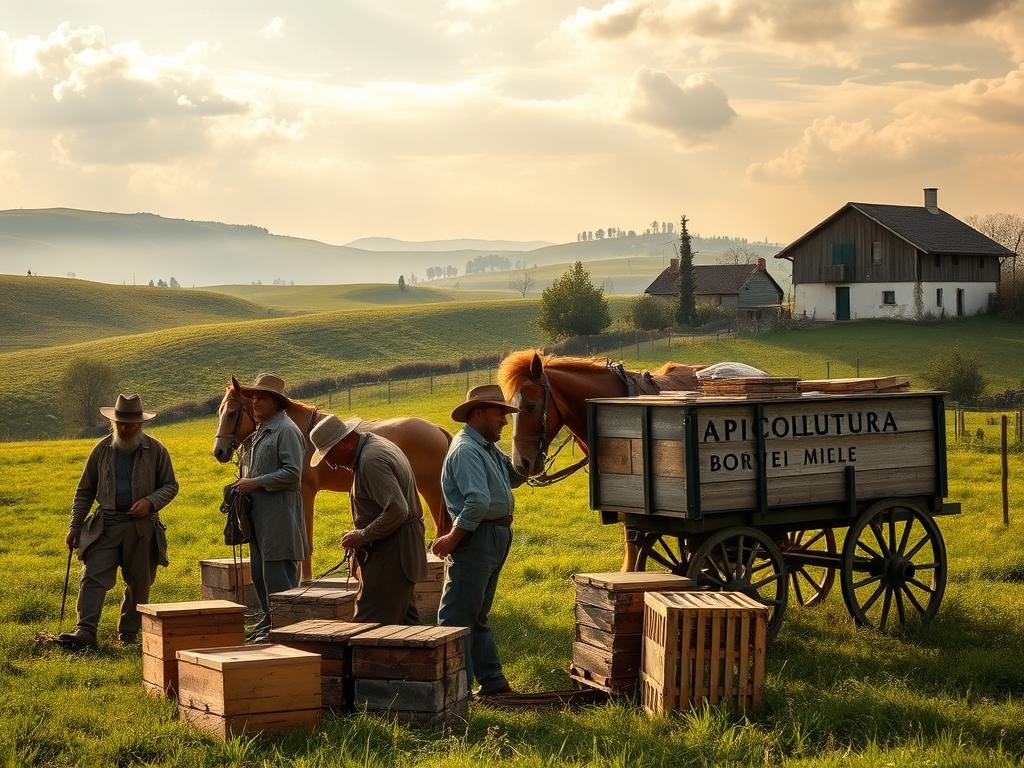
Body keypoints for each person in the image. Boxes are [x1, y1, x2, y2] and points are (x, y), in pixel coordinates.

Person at [58, 394, 178, 649]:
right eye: (121, 423)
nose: (126, 428)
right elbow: (84, 491)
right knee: (92, 576)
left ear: (141, 424)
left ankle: (128, 634)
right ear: (113, 423)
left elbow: (170, 485)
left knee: (139, 582)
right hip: (105, 524)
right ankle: (85, 632)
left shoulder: (156, 450)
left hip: (141, 527)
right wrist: (74, 526)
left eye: (132, 424)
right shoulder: (101, 450)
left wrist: (150, 502)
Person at [432, 384, 526, 697]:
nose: (504, 420)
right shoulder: (466, 450)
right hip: (476, 537)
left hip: (493, 536)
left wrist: (532, 459)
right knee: (457, 619)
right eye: (500, 413)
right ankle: (455, 692)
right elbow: (476, 503)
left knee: (475, 615)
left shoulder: (484, 447)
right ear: (478, 413)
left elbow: (512, 478)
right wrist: (452, 538)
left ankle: (492, 683)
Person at [309, 414, 428, 624]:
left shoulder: (371, 461)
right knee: (406, 627)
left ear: (344, 442)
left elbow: (397, 510)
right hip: (399, 551)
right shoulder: (375, 445)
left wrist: (362, 535)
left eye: (329, 455)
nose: (331, 465)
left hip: (392, 554)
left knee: (369, 625)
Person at [231, 373, 306, 642]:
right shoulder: (263, 430)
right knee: (260, 575)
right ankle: (268, 623)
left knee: (277, 578)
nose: (255, 401)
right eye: (253, 397)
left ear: (276, 401)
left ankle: (284, 631)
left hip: (279, 517)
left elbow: (293, 474)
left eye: (261, 397)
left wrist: (255, 483)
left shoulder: (286, 431)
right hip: (259, 518)